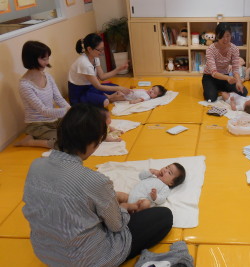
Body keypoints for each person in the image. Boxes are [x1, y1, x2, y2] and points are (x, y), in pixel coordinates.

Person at [22, 104, 173, 266]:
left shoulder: (35, 165)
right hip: (86, 260)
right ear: (93, 143)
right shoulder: (95, 181)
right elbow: (117, 225)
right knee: (164, 216)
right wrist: (123, 207)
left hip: (45, 253)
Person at [16, 41, 70, 149]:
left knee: (80, 129)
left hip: (53, 120)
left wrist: (69, 109)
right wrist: (66, 111)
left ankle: (38, 137)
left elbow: (59, 98)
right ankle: (30, 142)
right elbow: (43, 110)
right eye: (43, 59)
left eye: (48, 58)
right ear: (31, 59)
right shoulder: (25, 85)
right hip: (37, 125)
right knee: (65, 143)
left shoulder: (48, 77)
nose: (47, 62)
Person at [68, 33, 131, 107]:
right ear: (89, 49)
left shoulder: (95, 57)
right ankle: (109, 98)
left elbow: (102, 76)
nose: (102, 52)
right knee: (105, 101)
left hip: (90, 88)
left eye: (103, 49)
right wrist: (119, 88)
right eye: (100, 50)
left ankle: (109, 96)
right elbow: (98, 86)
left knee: (116, 87)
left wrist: (118, 69)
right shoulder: (84, 63)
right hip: (79, 94)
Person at [202, 22, 248, 102]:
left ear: (231, 35)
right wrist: (228, 78)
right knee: (211, 98)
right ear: (217, 36)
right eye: (222, 36)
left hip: (225, 76)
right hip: (210, 77)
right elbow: (213, 72)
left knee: (243, 92)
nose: (225, 39)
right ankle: (213, 87)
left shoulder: (234, 49)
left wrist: (238, 81)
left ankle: (219, 88)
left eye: (228, 36)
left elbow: (235, 69)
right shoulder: (211, 49)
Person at [118, 163, 186, 212]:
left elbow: (162, 199)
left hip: (141, 201)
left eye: (169, 172)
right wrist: (151, 172)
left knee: (146, 203)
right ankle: (112, 202)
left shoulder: (165, 187)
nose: (165, 170)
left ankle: (132, 207)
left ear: (171, 183)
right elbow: (141, 176)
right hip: (131, 196)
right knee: (119, 195)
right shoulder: (152, 177)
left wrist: (155, 197)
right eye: (166, 167)